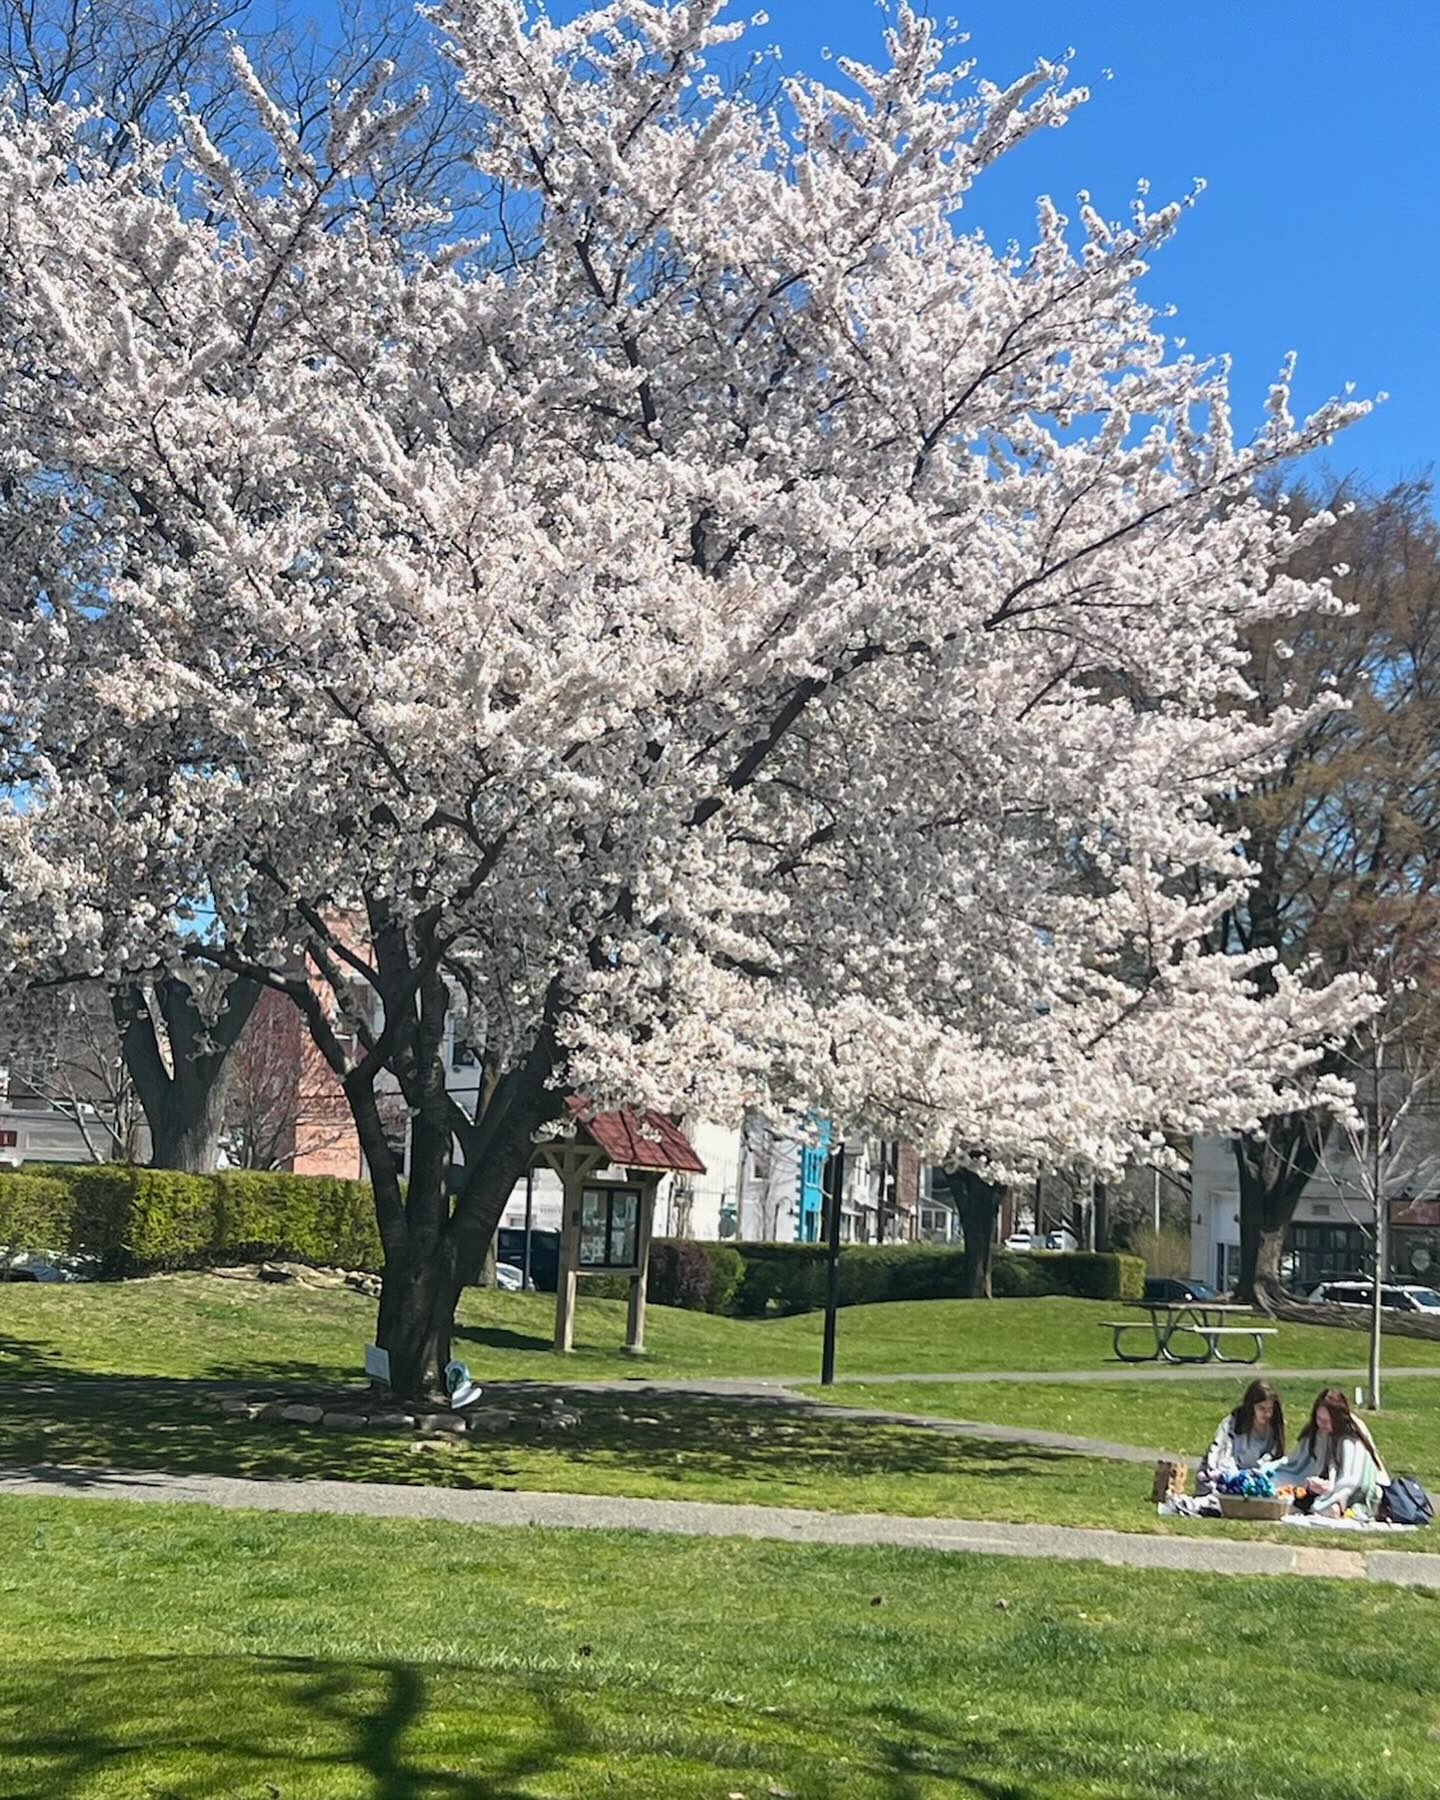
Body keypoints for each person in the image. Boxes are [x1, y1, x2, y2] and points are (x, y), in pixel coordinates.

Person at [1268, 1387, 1389, 1519]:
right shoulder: (1316, 1432)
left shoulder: (1352, 1436)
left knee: (1328, 1510)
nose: (1322, 1424)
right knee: (1281, 1490)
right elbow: (1296, 1463)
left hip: (1354, 1493)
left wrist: (1329, 1489)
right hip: (1322, 1486)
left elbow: (1351, 1481)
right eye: (1319, 1419)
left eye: (1327, 1421)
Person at [1196, 1379, 1286, 1496]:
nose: (1267, 1414)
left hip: (1256, 1478)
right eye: (1261, 1408)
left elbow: (1274, 1458)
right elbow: (1221, 1452)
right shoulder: (1234, 1422)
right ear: (1251, 1407)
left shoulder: (1275, 1427)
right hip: (1228, 1473)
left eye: (1270, 1409)